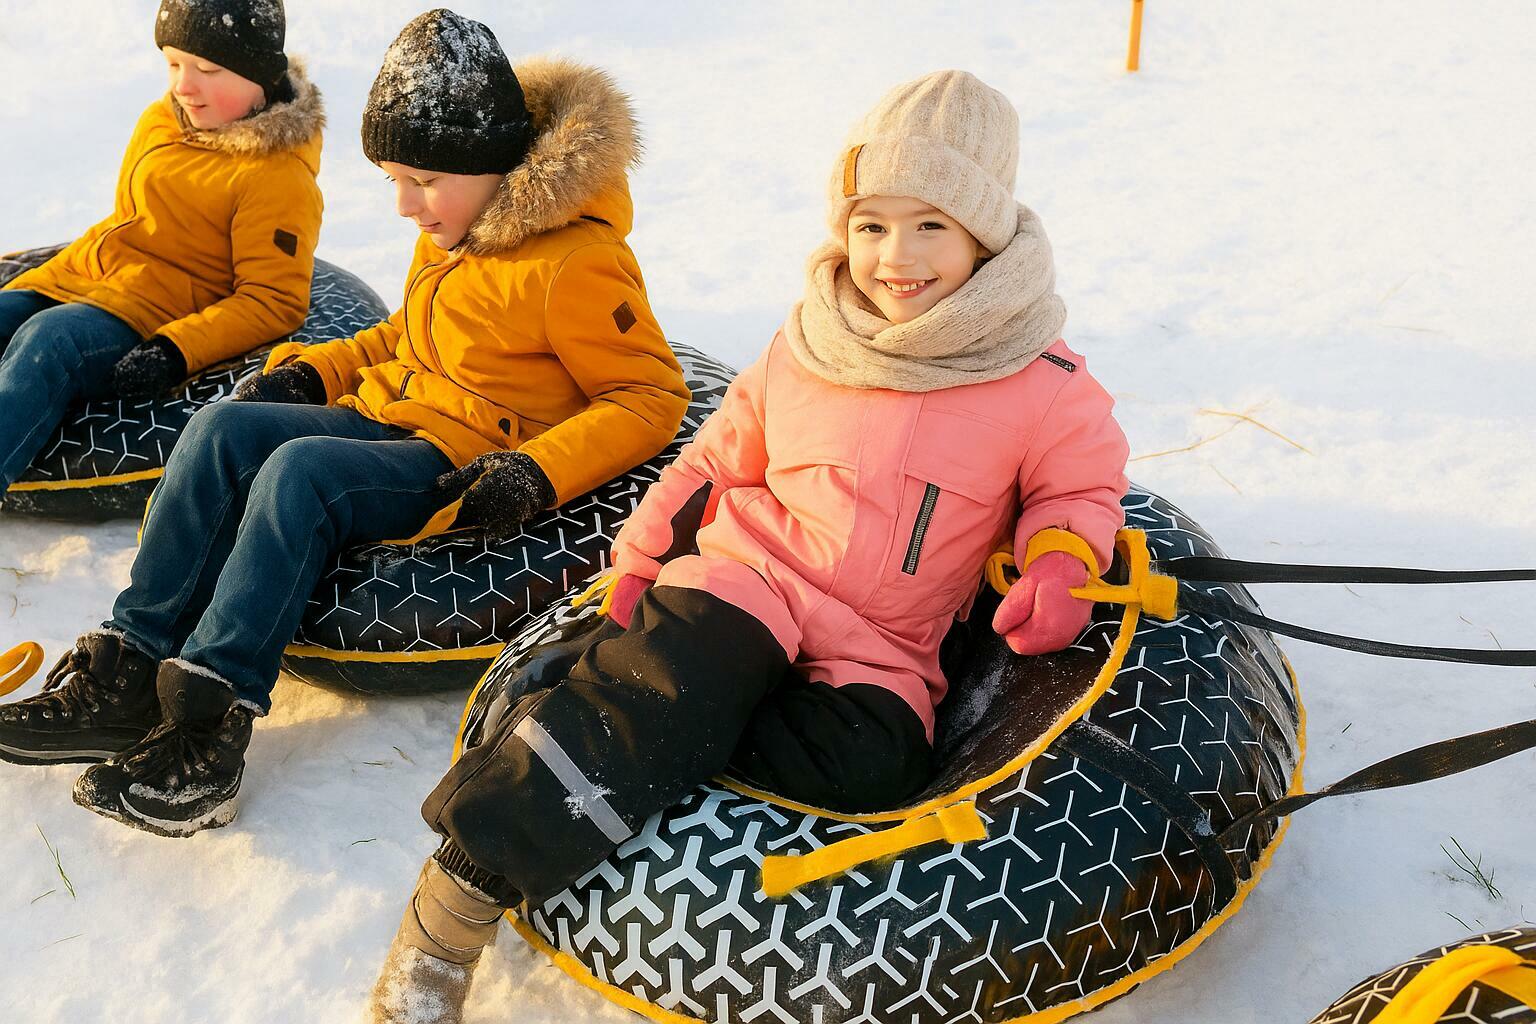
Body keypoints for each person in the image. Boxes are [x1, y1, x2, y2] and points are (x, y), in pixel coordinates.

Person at [367, 69, 1131, 1023]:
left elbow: (1080, 489)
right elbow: (713, 464)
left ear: (985, 233)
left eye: (930, 225)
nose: (894, 257)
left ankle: (613, 710)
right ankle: (457, 902)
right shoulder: (808, 342)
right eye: (871, 225)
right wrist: (641, 564)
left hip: (882, 651)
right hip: (748, 582)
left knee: (876, 767)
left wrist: (1061, 563)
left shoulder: (1042, 381)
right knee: (682, 679)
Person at [0, 9, 690, 844]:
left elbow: (650, 395)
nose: (403, 205)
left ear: (492, 165)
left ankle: (207, 733)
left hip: (458, 458)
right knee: (220, 432)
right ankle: (126, 668)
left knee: (301, 475)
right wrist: (314, 371)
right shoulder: (458, 227)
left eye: (422, 180)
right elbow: (406, 334)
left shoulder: (577, 264)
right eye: (394, 180)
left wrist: (536, 472)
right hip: (390, 412)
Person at [0, 0, 324, 492]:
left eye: (207, 69)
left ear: (258, 75)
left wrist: (176, 350)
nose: (183, 86)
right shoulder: (162, 119)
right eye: (174, 64)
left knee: (47, 342)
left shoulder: (278, 176)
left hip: (155, 308)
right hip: (84, 275)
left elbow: (274, 300)